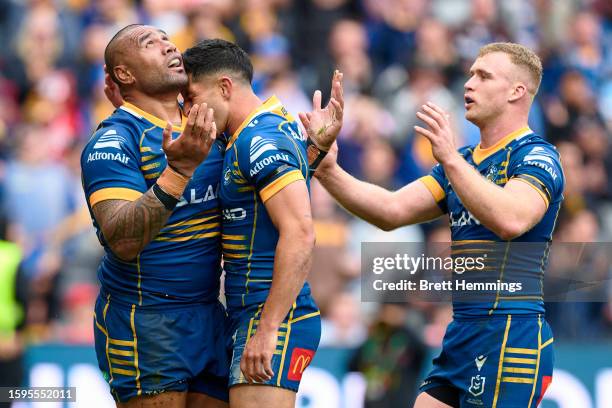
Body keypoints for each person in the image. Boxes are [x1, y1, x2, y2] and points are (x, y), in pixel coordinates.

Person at [314, 42, 564, 408]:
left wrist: (449, 158)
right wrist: (326, 168)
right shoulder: (462, 162)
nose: (468, 83)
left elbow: (511, 219)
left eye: (483, 75)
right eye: (470, 73)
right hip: (462, 334)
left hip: (510, 333)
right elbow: (390, 209)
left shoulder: (537, 156)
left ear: (516, 91)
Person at [181, 39, 343, 408]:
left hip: (272, 316)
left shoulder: (260, 138)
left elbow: (301, 232)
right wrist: (313, 153)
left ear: (224, 87)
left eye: (191, 97)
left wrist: (268, 328)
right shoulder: (255, 132)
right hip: (246, 312)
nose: (187, 110)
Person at [81, 24, 229, 408]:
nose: (169, 47)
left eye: (168, 40)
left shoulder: (212, 125)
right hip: (145, 320)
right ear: (124, 74)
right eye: (152, 43)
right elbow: (122, 240)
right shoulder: (115, 139)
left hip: (209, 313)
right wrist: (178, 173)